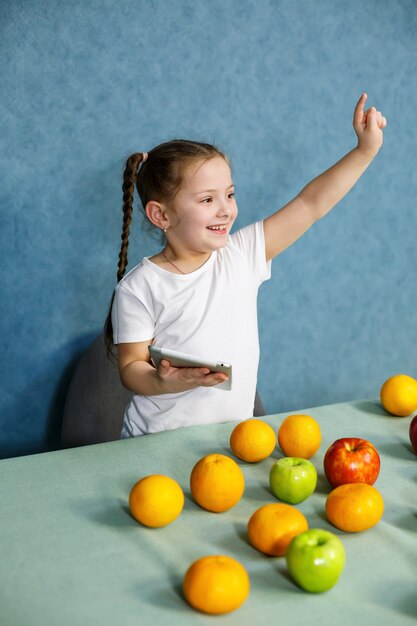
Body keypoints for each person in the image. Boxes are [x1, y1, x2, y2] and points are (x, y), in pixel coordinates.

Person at [104, 93, 387, 438]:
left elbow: (311, 204)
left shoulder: (241, 255)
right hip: (154, 443)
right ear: (160, 215)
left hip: (231, 443)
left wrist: (365, 151)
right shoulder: (139, 287)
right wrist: (163, 379)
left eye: (230, 194)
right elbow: (131, 368)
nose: (225, 209)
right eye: (208, 199)